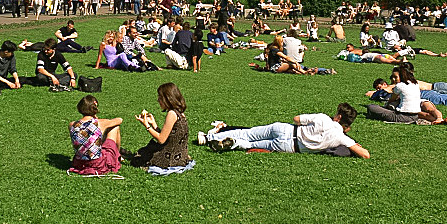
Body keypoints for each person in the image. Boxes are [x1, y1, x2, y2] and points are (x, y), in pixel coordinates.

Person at [202, 103, 370, 158]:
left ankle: (208, 137)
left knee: (248, 133)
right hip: (290, 147)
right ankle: (235, 144)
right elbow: (365, 154)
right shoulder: (342, 138)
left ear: (339, 117)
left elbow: (296, 119)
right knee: (250, 144)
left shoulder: (324, 118)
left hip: (287, 130)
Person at [130, 83, 191, 169]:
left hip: (170, 159)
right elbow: (167, 135)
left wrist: (147, 126)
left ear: (167, 99)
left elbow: (161, 140)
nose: (158, 100)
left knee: (139, 157)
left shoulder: (172, 114)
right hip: (180, 156)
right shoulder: (180, 113)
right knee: (145, 151)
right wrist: (153, 123)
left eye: (160, 97)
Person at [67, 95, 123, 175]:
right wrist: (96, 118)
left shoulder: (72, 124)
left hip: (79, 163)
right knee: (115, 127)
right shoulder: (100, 123)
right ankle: (116, 158)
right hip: (97, 164)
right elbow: (119, 120)